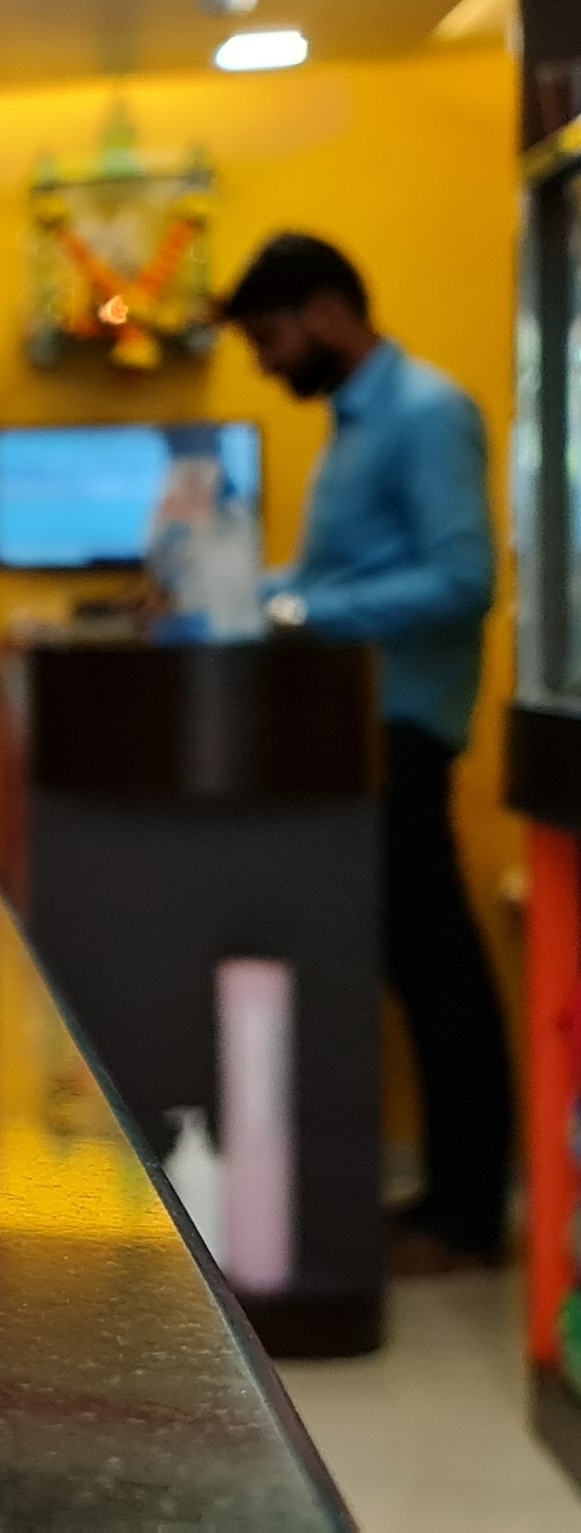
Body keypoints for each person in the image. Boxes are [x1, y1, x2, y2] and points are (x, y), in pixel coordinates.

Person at [226, 232, 511, 1270]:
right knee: (413, 965)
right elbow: (329, 574)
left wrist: (295, 607)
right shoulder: (352, 425)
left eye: (269, 336)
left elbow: (461, 579)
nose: (263, 360)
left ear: (326, 311)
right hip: (355, 732)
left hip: (405, 730)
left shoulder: (426, 413)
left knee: (436, 970)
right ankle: (447, 1200)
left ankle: (468, 1217)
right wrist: (253, 592)